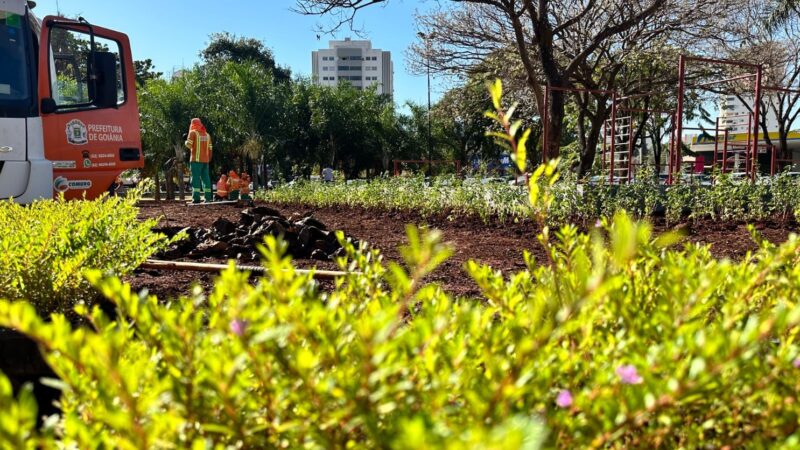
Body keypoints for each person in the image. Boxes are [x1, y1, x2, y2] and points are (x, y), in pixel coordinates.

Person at [184, 118, 213, 203]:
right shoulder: (207, 135)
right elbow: (210, 148)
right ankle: (208, 198)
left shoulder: (193, 133)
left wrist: (185, 141)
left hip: (196, 160)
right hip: (205, 161)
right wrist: (209, 158)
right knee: (206, 179)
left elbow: (189, 145)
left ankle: (196, 198)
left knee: (195, 179)